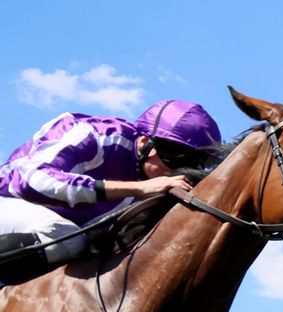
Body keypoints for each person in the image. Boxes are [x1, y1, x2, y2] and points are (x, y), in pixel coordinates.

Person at [0, 98, 222, 281]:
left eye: (195, 165)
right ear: (146, 143)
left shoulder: (158, 184)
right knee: (66, 237)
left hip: (55, 243)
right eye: (176, 159)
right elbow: (35, 179)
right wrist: (139, 188)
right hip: (9, 201)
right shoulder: (93, 135)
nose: (177, 172)